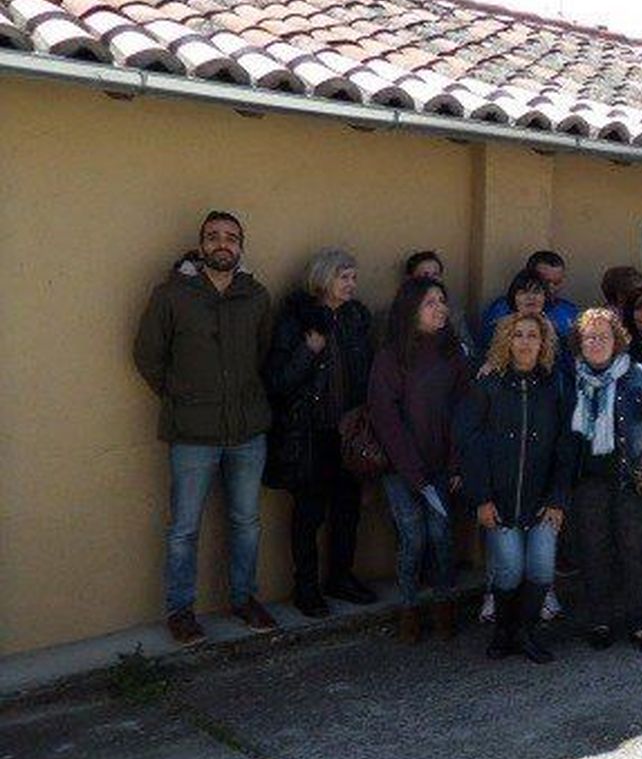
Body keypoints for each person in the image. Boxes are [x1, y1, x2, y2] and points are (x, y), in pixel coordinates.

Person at [134, 210, 278, 645]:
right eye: (213, 237)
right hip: (192, 434)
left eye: (230, 238)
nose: (222, 244)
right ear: (201, 246)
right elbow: (147, 356)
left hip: (247, 432)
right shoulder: (171, 296)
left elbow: (264, 354)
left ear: (240, 247)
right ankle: (181, 610)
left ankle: (243, 599)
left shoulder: (256, 297)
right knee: (184, 528)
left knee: (247, 522)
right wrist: (181, 397)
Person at [263, 248, 377, 618]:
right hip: (309, 434)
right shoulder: (297, 319)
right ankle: (306, 587)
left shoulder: (357, 317)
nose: (351, 284)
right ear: (323, 277)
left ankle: (341, 577)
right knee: (309, 515)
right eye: (344, 277)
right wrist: (308, 352)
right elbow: (278, 380)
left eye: (353, 277)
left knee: (348, 511)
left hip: (350, 435)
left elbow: (369, 370)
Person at [456, 312, 574, 663]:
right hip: (500, 499)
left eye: (533, 336)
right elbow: (470, 443)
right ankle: (503, 632)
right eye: (519, 335)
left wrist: (558, 498)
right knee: (508, 569)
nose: (525, 342)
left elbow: (566, 446)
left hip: (543, 500)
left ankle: (526, 633)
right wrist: (482, 498)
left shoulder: (554, 385)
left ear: (543, 342)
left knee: (540, 568)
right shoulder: (488, 384)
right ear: (507, 340)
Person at [568, 308, 642, 655]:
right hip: (586, 482)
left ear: (618, 339)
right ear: (580, 342)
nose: (597, 342)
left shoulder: (639, 376)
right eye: (590, 336)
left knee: (635, 552)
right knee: (594, 553)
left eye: (604, 335)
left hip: (631, 480)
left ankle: (640, 622)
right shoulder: (567, 377)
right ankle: (599, 620)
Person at [369, 277, 471, 643]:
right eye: (430, 302)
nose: (440, 308)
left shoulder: (454, 353)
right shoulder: (390, 356)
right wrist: (413, 472)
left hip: (443, 466)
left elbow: (465, 410)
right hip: (401, 469)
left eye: (442, 301)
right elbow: (385, 417)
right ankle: (409, 608)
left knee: (441, 537)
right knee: (412, 538)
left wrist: (456, 463)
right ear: (411, 310)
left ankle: (444, 604)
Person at [403, 251, 472, 358]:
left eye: (436, 275)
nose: (431, 279)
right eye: (425, 275)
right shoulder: (395, 314)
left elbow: (470, 350)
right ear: (410, 279)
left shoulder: (453, 312)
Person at [477, 268, 548, 353]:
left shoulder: (549, 323)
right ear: (514, 297)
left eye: (536, 292)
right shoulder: (502, 323)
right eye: (524, 292)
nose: (531, 297)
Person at [528, 250, 580, 337]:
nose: (551, 288)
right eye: (545, 282)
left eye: (557, 282)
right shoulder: (503, 309)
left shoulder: (570, 312)